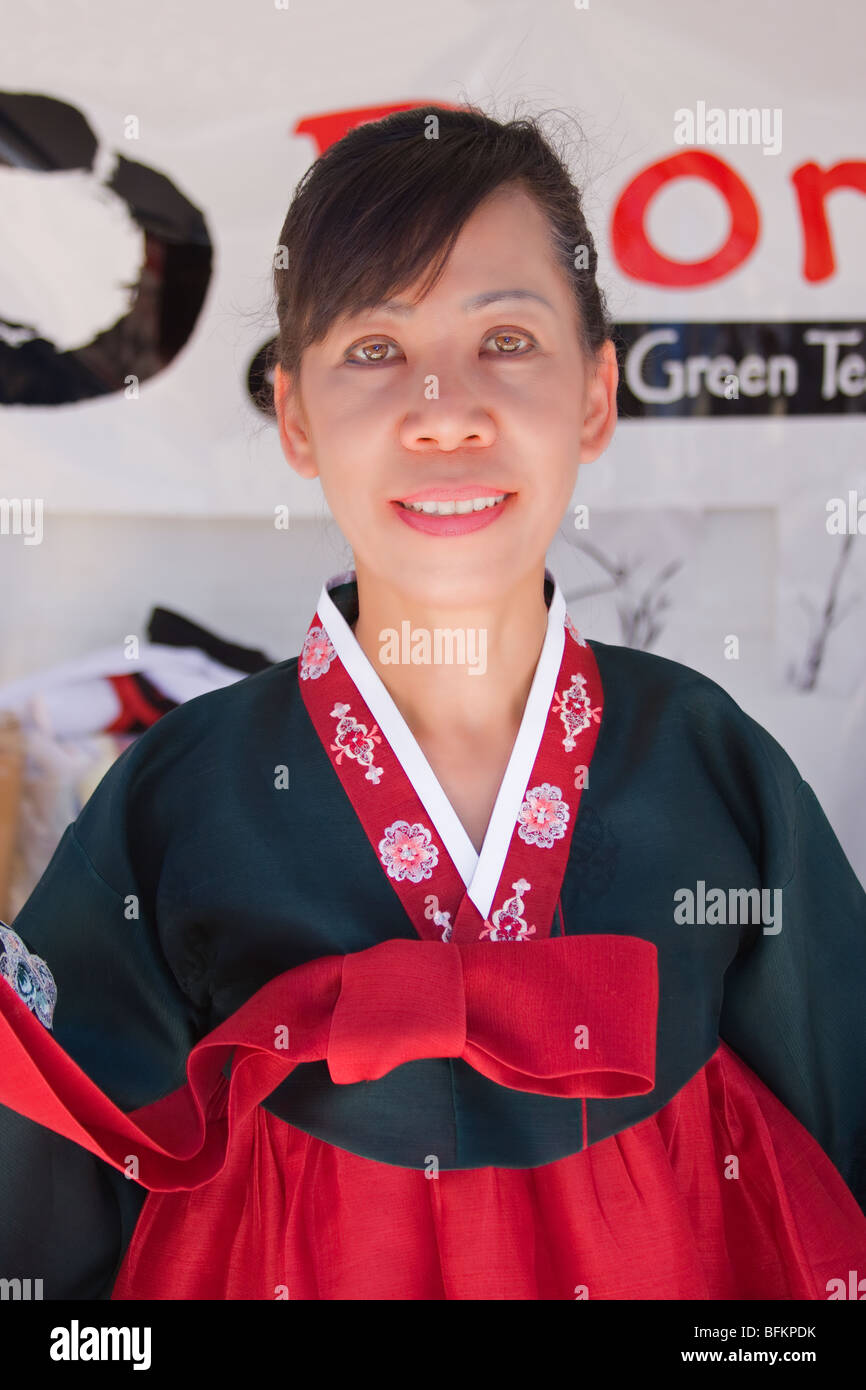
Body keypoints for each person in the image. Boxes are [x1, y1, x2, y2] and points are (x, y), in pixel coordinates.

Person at [1, 104, 865, 1301]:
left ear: (596, 396)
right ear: (296, 417)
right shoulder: (173, 801)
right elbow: (42, 1224)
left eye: (505, 339)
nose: (443, 407)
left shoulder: (711, 769)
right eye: (371, 349)